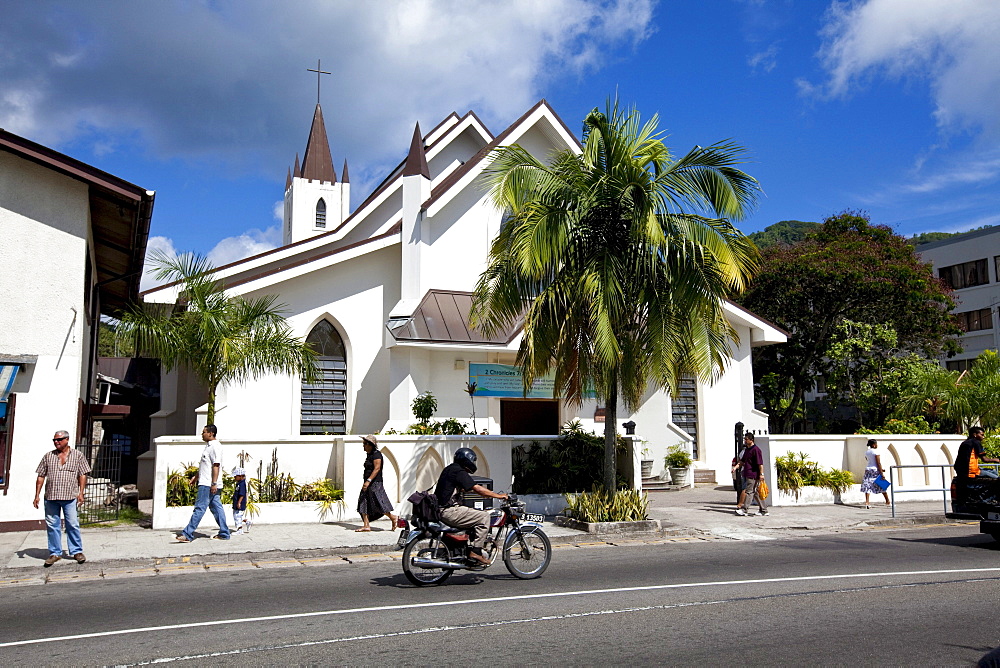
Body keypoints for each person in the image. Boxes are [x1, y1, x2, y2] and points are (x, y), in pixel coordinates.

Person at [434, 447, 508, 565]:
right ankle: (476, 552)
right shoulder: (459, 471)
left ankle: (467, 548)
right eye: (472, 461)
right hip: (449, 511)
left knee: (474, 513)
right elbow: (477, 488)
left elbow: (466, 488)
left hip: (442, 509)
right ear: (466, 460)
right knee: (484, 517)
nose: (473, 464)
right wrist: (498, 496)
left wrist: (481, 492)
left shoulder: (451, 469)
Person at [33, 430, 91, 567]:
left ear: (67, 440)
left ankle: (76, 551)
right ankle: (55, 553)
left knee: (72, 524)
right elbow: (41, 476)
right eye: (54, 440)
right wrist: (37, 495)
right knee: (53, 525)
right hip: (51, 497)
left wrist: (81, 493)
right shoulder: (48, 456)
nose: (56, 442)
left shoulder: (78, 455)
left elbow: (83, 474)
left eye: (59, 440)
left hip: (69, 496)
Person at [176, 424, 230, 542]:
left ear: (211, 433)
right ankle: (225, 533)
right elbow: (206, 465)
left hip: (208, 484)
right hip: (207, 482)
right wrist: (196, 477)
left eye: (204, 432)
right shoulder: (209, 447)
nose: (202, 434)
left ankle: (188, 534)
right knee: (216, 508)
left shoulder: (215, 447)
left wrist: (214, 483)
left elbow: (216, 465)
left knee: (199, 508)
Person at [356, 435, 398, 532]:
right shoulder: (370, 455)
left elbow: (377, 468)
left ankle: (393, 517)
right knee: (363, 501)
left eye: (365, 444)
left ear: (371, 445)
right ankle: (366, 525)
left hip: (375, 483)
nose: (364, 446)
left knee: (378, 502)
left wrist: (368, 481)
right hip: (367, 482)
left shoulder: (376, 454)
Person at [735, 432, 767, 516]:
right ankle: (764, 510)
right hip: (747, 472)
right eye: (744, 439)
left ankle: (745, 510)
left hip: (753, 474)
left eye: (746, 439)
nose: (745, 441)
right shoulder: (747, 450)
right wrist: (736, 467)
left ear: (751, 440)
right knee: (755, 492)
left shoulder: (756, 450)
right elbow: (742, 461)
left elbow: (760, 463)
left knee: (749, 491)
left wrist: (761, 474)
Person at [859, 439, 891, 509]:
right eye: (876, 444)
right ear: (874, 445)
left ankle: (867, 502)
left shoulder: (867, 452)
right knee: (882, 485)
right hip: (875, 470)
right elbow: (878, 463)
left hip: (868, 469)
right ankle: (887, 501)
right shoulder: (876, 452)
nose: (877, 445)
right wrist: (881, 473)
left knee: (867, 485)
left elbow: (869, 461)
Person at [231, 467, 251, 534]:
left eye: (235, 476)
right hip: (236, 502)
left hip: (239, 503)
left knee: (237, 516)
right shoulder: (239, 483)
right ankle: (247, 521)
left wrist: (239, 502)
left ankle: (240, 529)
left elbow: (242, 494)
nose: (234, 477)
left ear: (240, 476)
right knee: (237, 515)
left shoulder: (242, 484)